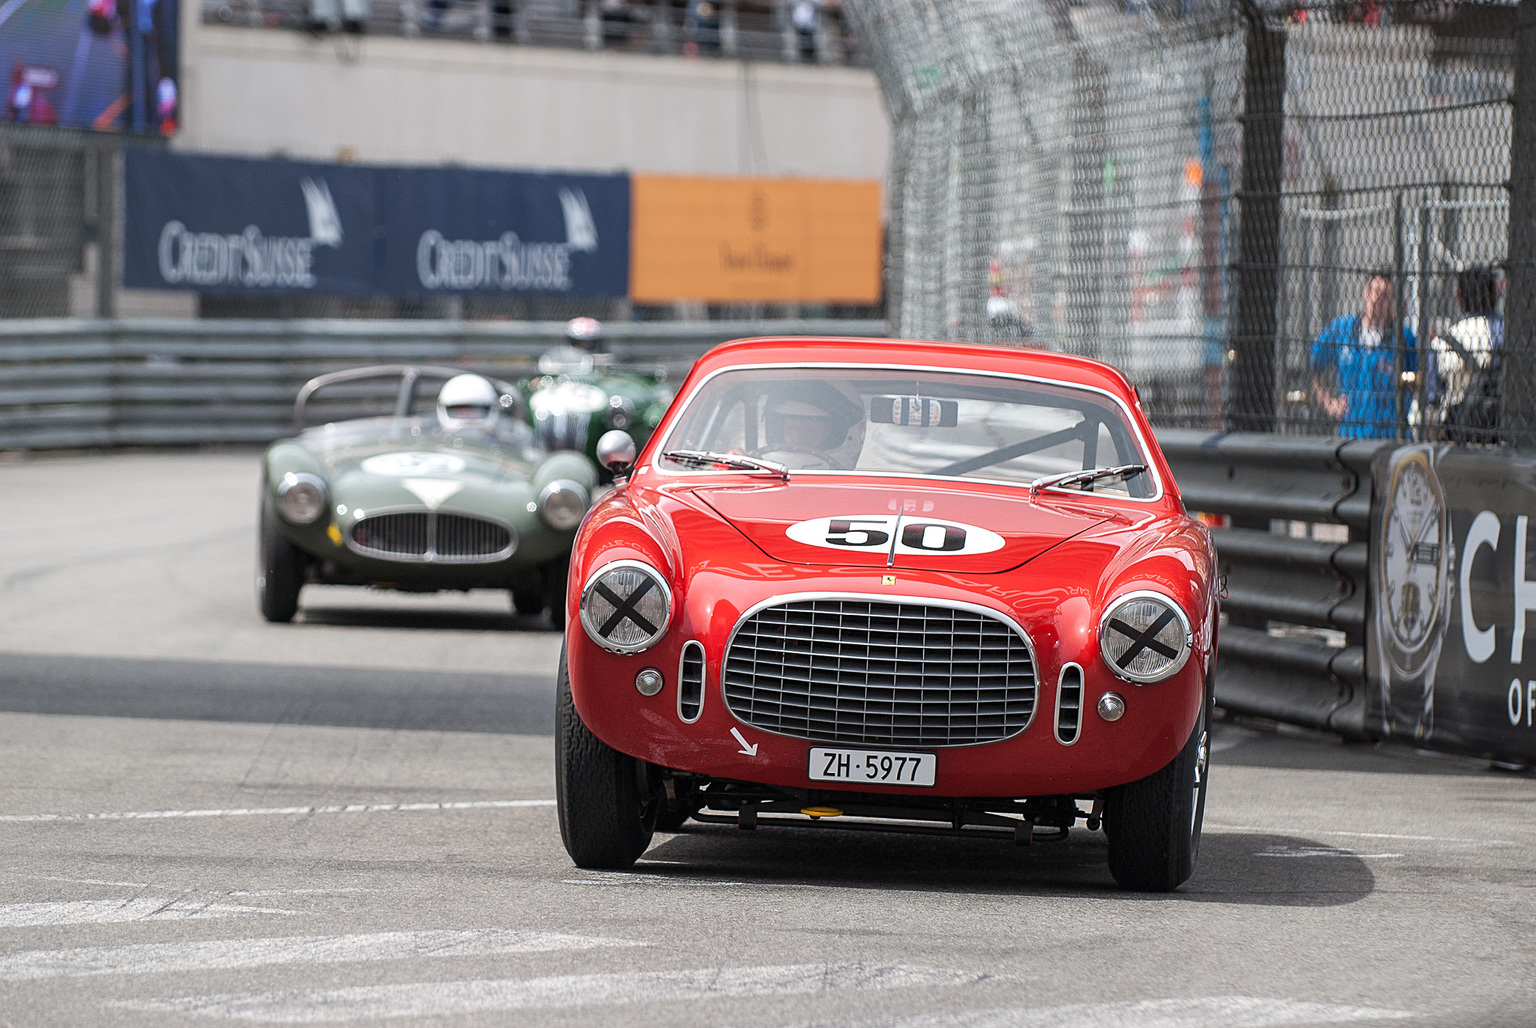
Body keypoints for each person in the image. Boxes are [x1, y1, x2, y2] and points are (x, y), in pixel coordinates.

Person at [1309, 270, 1417, 439]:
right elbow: (1314, 367)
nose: (1378, 300)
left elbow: (1418, 380)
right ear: (1366, 293)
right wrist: (1329, 403)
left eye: (1386, 296)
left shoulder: (1403, 338)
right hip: (1351, 435)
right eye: (1375, 292)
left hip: (1389, 436)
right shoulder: (1342, 329)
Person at [1429, 265, 1502, 444]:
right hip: (1504, 435)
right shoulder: (1510, 333)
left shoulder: (1443, 342)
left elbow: (1432, 398)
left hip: (1459, 438)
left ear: (1459, 296)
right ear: (1495, 294)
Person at [756, 382, 864, 469]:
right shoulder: (760, 479)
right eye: (792, 429)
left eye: (810, 430)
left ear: (831, 433)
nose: (798, 437)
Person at [437, 373, 501, 432]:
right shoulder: (430, 438)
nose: (468, 420)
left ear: (493, 409)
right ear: (442, 409)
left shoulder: (507, 438)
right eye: (460, 411)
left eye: (476, 411)